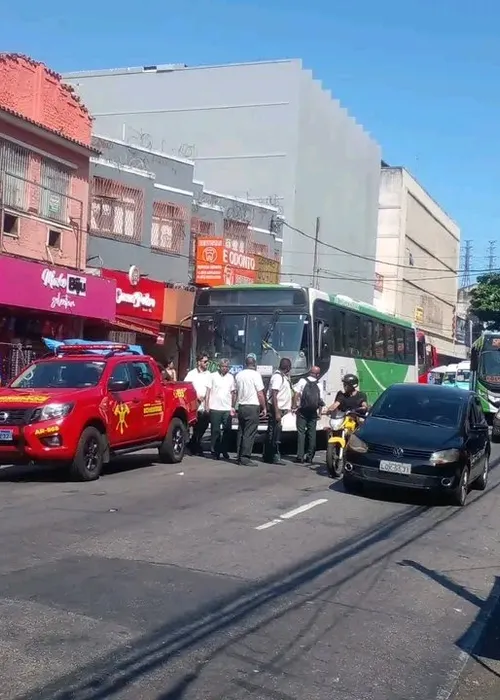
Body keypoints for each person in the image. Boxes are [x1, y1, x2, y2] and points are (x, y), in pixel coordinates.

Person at [235, 354, 266, 466]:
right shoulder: (256, 375)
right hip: (252, 406)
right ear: (255, 363)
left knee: (241, 432)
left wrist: (235, 406)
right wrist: (264, 407)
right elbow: (260, 393)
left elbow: (236, 392)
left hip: (241, 406)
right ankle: (245, 457)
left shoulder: (239, 375)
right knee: (249, 433)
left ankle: (239, 456)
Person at [263, 358, 293, 465]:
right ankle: (272, 456)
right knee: (274, 433)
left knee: (276, 432)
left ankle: (269, 455)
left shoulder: (284, 376)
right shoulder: (277, 377)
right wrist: (277, 412)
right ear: (287, 367)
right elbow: (274, 395)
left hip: (281, 409)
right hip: (276, 408)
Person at [293, 365, 325, 464]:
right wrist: (319, 413)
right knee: (312, 434)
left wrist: (294, 406)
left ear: (310, 372)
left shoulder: (302, 381)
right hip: (313, 412)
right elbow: (320, 400)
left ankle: (300, 456)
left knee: (301, 433)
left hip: (302, 411)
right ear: (318, 374)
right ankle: (310, 457)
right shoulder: (319, 385)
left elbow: (296, 394)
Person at [206, 358, 236, 460]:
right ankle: (215, 451)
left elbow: (233, 393)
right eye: (223, 366)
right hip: (215, 407)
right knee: (215, 431)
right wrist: (206, 405)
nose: (225, 368)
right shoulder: (212, 376)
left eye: (227, 367)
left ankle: (224, 449)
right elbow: (208, 391)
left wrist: (232, 406)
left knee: (227, 430)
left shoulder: (231, 377)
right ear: (219, 366)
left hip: (227, 408)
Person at [184, 353, 212, 455]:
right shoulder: (191, 374)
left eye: (207, 361)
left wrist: (207, 404)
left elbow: (209, 389)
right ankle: (195, 446)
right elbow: (186, 387)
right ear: (199, 362)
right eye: (205, 361)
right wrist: (195, 396)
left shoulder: (208, 374)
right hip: (194, 403)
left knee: (203, 425)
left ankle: (194, 443)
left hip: (204, 404)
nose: (207, 363)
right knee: (195, 425)